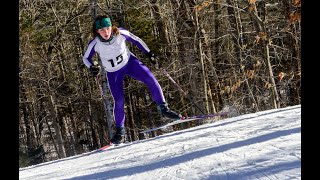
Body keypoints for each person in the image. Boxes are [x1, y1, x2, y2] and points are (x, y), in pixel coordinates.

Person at [82, 15, 182, 144]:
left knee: (150, 78)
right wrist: (92, 67)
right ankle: (120, 131)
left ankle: (164, 109)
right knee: (119, 100)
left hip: (130, 63)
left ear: (111, 27)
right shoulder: (95, 43)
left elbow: (137, 41)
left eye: (107, 28)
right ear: (97, 31)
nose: (106, 32)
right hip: (113, 73)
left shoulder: (120, 33)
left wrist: (149, 53)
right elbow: (85, 58)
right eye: (102, 30)